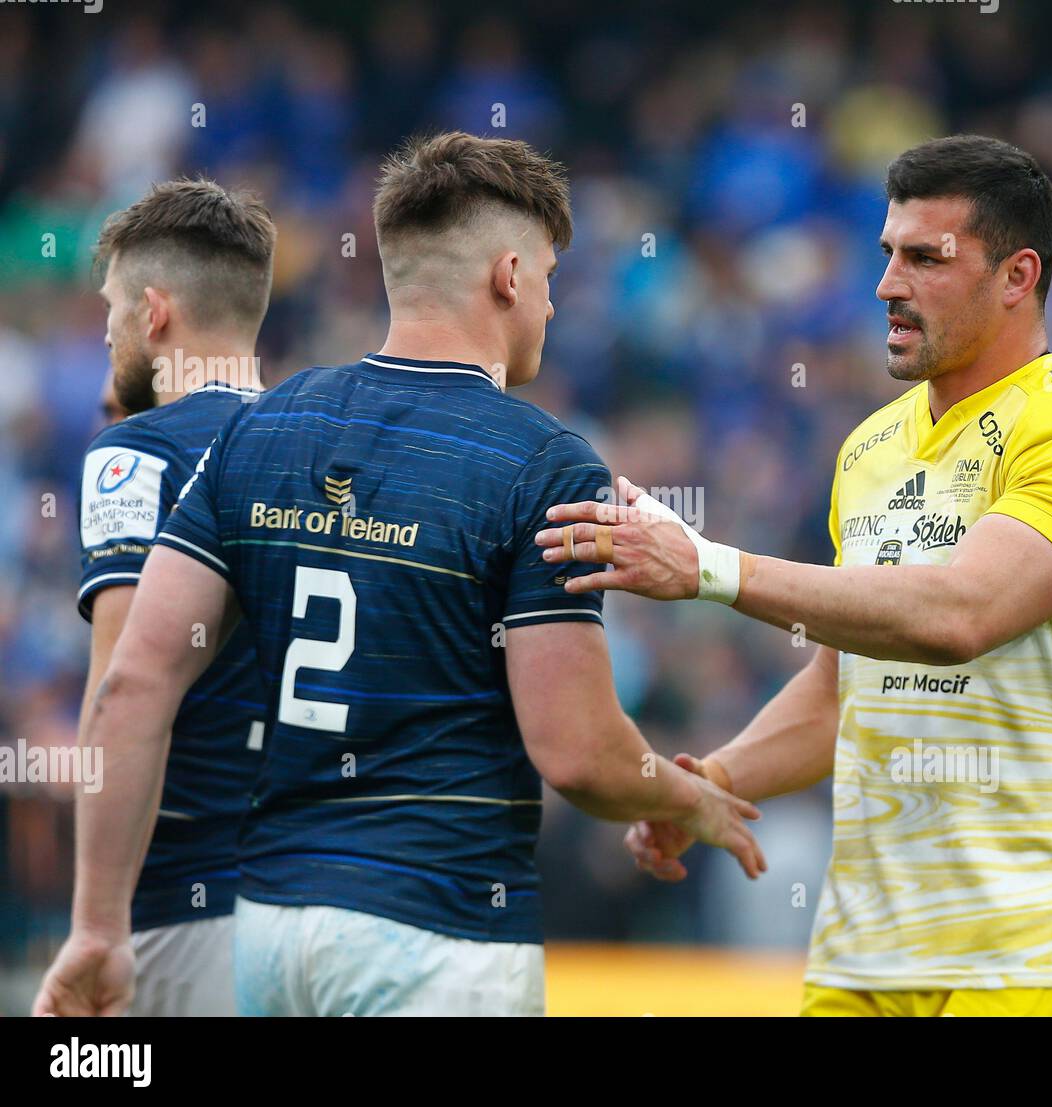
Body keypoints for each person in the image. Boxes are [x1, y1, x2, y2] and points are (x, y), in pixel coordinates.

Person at [34, 132, 764, 1019]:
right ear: (506, 275)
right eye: (547, 278)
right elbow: (577, 753)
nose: (551, 304)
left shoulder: (259, 431)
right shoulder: (544, 463)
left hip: (269, 933)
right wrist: (691, 798)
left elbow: (131, 688)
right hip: (437, 932)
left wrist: (99, 928)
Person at [539, 135, 1052, 1018]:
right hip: (865, 956)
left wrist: (711, 568)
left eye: (924, 258)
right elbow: (843, 693)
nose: (887, 286)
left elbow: (961, 614)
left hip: (1034, 950)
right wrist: (710, 785)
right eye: (887, 254)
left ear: (1018, 276)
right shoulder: (868, 448)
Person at [58, 178, 273, 1017]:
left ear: (152, 313)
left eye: (111, 309)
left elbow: (122, 689)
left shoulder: (134, 453)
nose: (108, 332)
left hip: (183, 899)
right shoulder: (321, 445)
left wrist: (93, 922)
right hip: (317, 892)